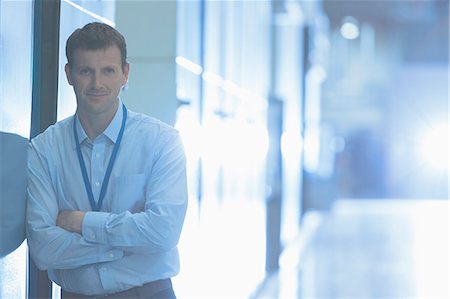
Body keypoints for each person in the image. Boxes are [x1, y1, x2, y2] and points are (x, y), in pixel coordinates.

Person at [27, 22, 188, 299]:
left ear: (125, 73)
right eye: (86, 71)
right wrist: (126, 243)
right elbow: (43, 248)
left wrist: (82, 223)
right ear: (69, 74)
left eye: (108, 71)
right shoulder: (44, 149)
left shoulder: (162, 142)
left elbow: (163, 233)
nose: (97, 83)